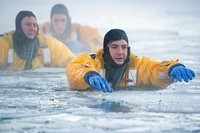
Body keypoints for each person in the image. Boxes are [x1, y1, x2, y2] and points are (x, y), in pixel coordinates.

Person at [66, 28, 195, 92]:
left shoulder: (136, 64)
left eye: (124, 47)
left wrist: (172, 68)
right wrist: (89, 76)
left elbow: (155, 68)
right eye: (114, 47)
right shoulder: (93, 61)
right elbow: (75, 68)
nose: (120, 52)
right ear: (105, 50)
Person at [0, 10, 75, 71]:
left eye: (35, 25)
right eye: (28, 24)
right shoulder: (4, 44)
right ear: (19, 26)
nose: (32, 28)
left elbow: (72, 62)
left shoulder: (48, 45)